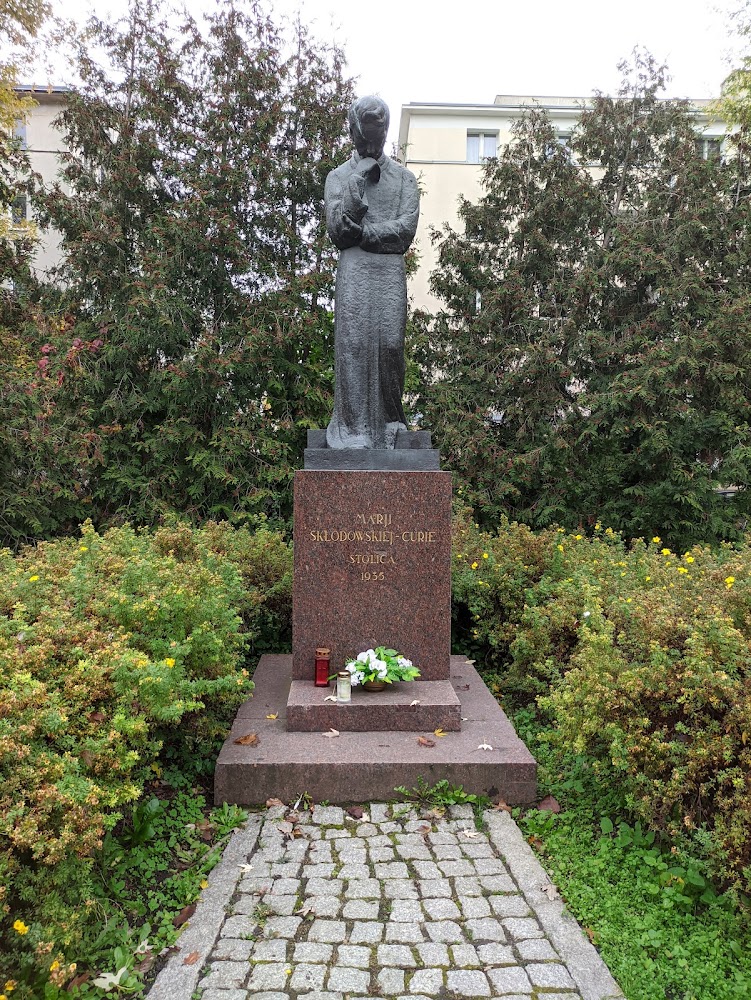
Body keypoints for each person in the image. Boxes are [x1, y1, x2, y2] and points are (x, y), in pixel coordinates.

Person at [324, 96, 420, 449]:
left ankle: (392, 423)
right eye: (364, 132)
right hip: (354, 271)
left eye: (377, 131)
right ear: (354, 131)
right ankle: (353, 431)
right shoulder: (338, 177)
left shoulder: (404, 179)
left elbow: (405, 230)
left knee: (391, 346)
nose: (370, 141)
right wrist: (356, 187)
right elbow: (338, 230)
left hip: (388, 272)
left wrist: (366, 234)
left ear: (385, 131)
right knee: (353, 345)